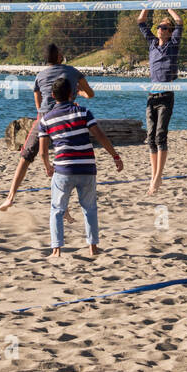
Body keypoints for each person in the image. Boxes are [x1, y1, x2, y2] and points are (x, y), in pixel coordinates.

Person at [0, 44, 94, 211]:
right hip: (65, 116)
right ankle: (65, 208)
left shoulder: (40, 75)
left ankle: (10, 197)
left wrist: (41, 115)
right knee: (67, 160)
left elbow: (37, 100)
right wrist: (79, 93)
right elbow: (91, 93)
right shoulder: (72, 71)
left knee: (25, 157)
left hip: (44, 117)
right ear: (58, 57)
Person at [38, 77, 123, 259]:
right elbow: (100, 136)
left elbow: (43, 152)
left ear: (53, 96)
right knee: (90, 208)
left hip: (63, 170)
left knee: (57, 210)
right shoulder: (83, 112)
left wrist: (47, 166)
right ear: (72, 94)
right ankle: (93, 248)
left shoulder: (45, 120)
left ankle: (56, 250)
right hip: (86, 168)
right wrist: (115, 156)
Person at [138, 0, 183, 195]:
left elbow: (180, 22)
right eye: (159, 27)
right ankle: (154, 176)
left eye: (164, 27)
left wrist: (168, 8)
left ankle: (157, 178)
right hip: (151, 94)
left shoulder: (172, 44)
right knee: (151, 137)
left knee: (161, 136)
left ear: (170, 32)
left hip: (166, 94)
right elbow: (140, 21)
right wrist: (150, 0)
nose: (160, 29)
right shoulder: (152, 44)